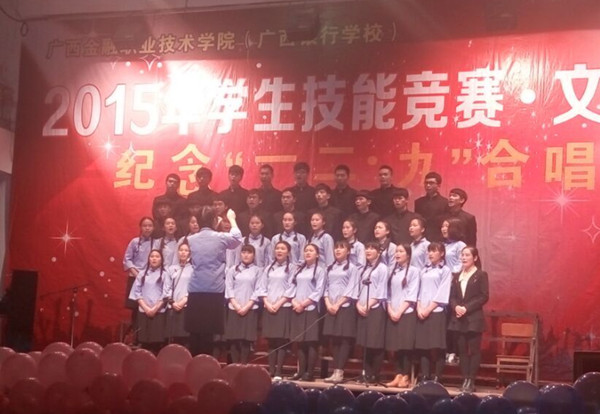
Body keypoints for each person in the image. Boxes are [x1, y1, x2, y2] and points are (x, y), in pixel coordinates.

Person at [185, 206, 243, 356]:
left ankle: (193, 363)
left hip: (196, 289)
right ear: (214, 220)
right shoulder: (220, 237)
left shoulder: (191, 239)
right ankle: (206, 364)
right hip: (214, 289)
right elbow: (237, 238)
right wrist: (232, 219)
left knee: (195, 332)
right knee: (208, 333)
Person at [448, 246, 489, 393]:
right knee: (462, 351)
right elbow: (452, 296)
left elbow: (484, 296)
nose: (464, 258)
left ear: (475, 258)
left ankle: (471, 380)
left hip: (473, 318)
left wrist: (466, 308)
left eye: (467, 255)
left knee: (474, 350)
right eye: (462, 255)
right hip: (459, 318)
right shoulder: (457, 276)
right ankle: (464, 378)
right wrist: (456, 307)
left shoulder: (481, 275)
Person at [256, 241, 296, 379]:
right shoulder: (268, 268)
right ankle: (271, 370)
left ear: (288, 252)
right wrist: (267, 302)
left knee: (281, 340)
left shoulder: (292, 268)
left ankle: (279, 371)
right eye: (277, 248)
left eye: (283, 248)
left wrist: (279, 303)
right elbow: (262, 287)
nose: (279, 251)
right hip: (269, 306)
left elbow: (291, 288)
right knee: (271, 340)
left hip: (283, 307)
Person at [322, 241, 359, 383]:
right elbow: (325, 287)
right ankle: (334, 371)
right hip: (331, 306)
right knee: (334, 339)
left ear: (348, 252)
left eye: (341, 248)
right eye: (336, 248)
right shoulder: (330, 268)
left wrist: (337, 304)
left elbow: (351, 288)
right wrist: (327, 302)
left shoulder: (352, 268)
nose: (338, 250)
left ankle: (340, 371)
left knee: (344, 339)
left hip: (344, 307)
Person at [415, 242, 452, 383]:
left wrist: (428, 309)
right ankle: (425, 375)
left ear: (441, 253)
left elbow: (442, 293)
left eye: (434, 251)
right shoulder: (424, 270)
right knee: (423, 345)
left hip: (436, 311)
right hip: (422, 310)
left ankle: (437, 376)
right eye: (429, 251)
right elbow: (419, 290)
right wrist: (419, 307)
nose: (430, 254)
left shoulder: (445, 270)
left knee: (437, 344)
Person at [289, 244, 325, 381]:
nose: (308, 253)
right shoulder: (299, 270)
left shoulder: (320, 270)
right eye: (306, 251)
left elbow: (319, 290)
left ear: (317, 255)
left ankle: (309, 373)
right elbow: (291, 287)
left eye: (311, 251)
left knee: (311, 341)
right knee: (300, 341)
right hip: (297, 307)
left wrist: (303, 304)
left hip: (311, 308)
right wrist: (294, 302)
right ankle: (301, 371)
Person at [385, 244, 419, 388]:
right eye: (396, 251)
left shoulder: (413, 271)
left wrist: (399, 311)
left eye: (401, 251)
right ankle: (398, 374)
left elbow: (412, 294)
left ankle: (406, 375)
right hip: (393, 311)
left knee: (405, 346)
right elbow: (388, 293)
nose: (397, 254)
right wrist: (390, 309)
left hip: (406, 313)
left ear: (408, 255)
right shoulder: (393, 271)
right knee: (395, 346)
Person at [355, 242, 388, 383]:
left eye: (372, 249)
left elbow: (381, 290)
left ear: (379, 252)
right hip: (362, 307)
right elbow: (359, 288)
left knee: (375, 342)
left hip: (375, 308)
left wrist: (368, 305)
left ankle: (375, 374)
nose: (368, 251)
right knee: (365, 342)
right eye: (367, 248)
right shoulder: (365, 268)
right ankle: (366, 373)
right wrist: (358, 304)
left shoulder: (382, 268)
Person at [224, 245, 261, 364]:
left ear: (253, 255)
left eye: (249, 253)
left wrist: (247, 306)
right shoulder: (233, 270)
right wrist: (236, 305)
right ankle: (235, 366)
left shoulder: (258, 270)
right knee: (234, 339)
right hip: (234, 307)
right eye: (243, 252)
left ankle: (244, 365)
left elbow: (258, 289)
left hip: (250, 308)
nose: (246, 255)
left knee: (246, 339)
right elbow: (229, 288)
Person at [128, 249, 167, 353]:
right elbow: (136, 292)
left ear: (161, 260)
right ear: (148, 259)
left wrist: (154, 309)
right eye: (152, 256)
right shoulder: (141, 274)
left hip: (158, 312)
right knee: (143, 342)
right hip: (143, 312)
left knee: (156, 344)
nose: (154, 259)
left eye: (157, 256)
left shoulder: (165, 275)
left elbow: (165, 294)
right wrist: (146, 308)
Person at [123, 217, 158, 319]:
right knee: (135, 307)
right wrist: (136, 274)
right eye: (145, 226)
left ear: (153, 228)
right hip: (135, 276)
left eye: (150, 226)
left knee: (147, 304)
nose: (147, 228)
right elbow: (127, 259)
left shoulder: (156, 243)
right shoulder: (134, 242)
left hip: (149, 278)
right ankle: (135, 328)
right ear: (140, 227)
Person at [163, 242, 193, 346]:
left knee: (185, 337)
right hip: (172, 306)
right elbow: (166, 288)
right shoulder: (171, 269)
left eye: (186, 250)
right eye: (181, 250)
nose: (183, 252)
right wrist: (173, 302)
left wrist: (185, 300)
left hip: (186, 306)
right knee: (172, 337)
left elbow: (194, 288)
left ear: (190, 253)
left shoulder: (193, 269)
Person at [415, 172, 448, 242]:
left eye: (431, 183)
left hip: (439, 239)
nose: (428, 185)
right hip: (422, 239)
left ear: (438, 185)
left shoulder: (445, 203)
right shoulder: (418, 202)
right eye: (426, 183)